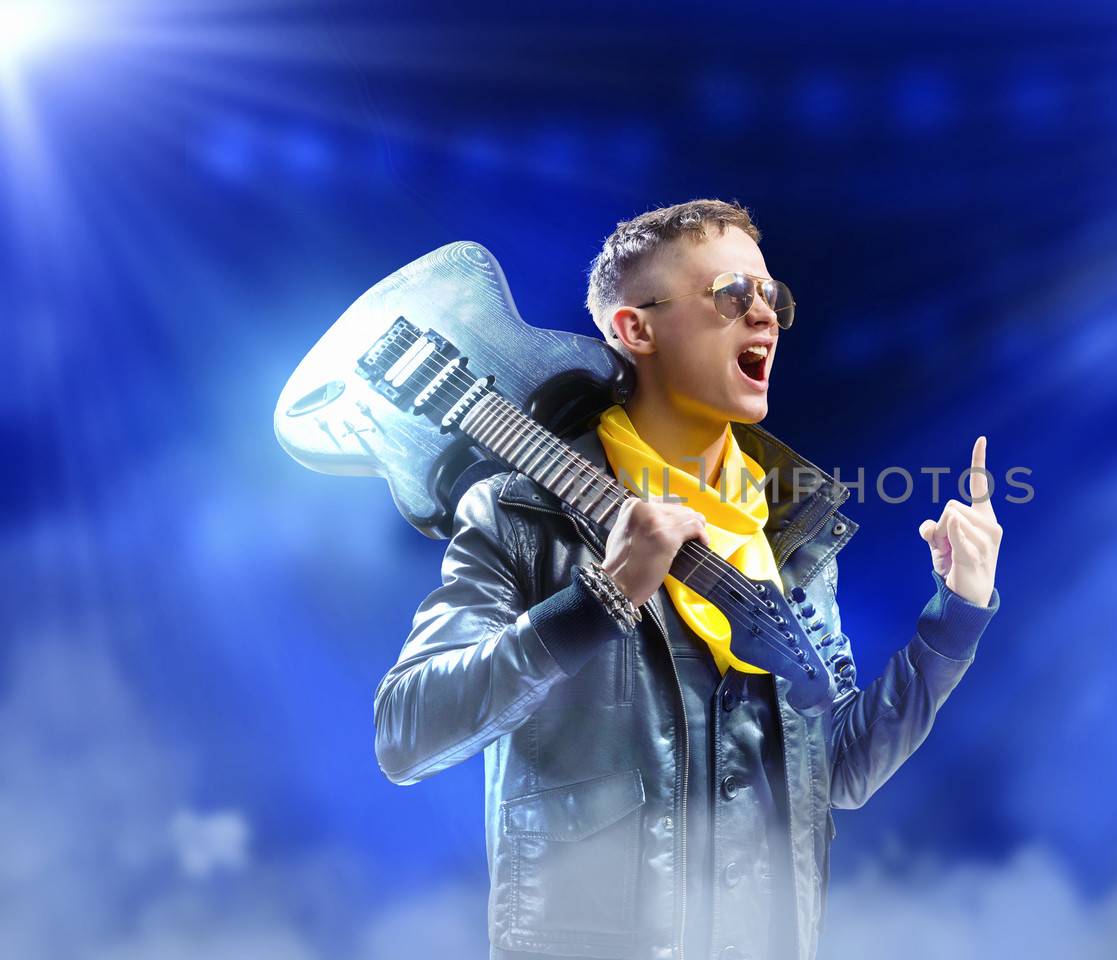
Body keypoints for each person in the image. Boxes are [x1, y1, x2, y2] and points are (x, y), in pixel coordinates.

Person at [373, 199, 1003, 960]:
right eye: (733, 295)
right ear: (634, 329)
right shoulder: (519, 513)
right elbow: (407, 732)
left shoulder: (790, 536)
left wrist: (956, 618)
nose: (765, 317)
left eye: (774, 298)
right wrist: (596, 602)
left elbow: (834, 768)